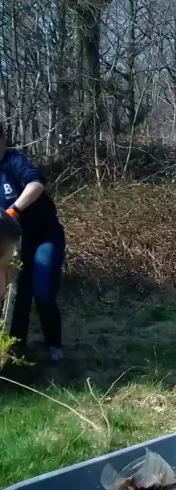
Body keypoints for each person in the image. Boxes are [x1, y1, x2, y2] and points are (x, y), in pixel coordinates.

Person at [0, 126, 67, 364]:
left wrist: (13, 210)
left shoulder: (14, 161)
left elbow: (36, 185)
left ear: (3, 140)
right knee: (15, 297)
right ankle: (15, 354)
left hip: (43, 237)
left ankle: (54, 347)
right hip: (12, 244)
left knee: (42, 291)